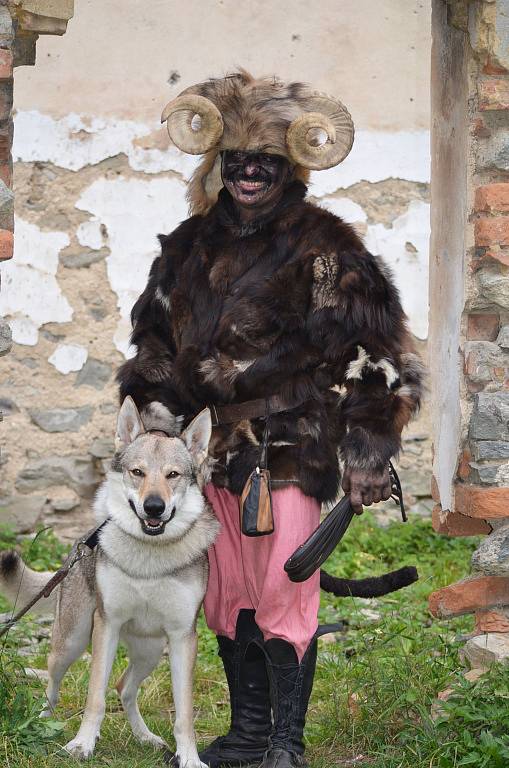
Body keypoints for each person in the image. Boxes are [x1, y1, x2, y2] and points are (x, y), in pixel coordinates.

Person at [117, 71, 424, 768]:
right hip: (210, 455)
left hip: (294, 445)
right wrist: (158, 429)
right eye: (237, 160)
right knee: (227, 594)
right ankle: (249, 734)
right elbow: (154, 350)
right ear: (217, 163)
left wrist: (369, 447)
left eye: (266, 162)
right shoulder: (188, 247)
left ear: (289, 168)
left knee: (286, 587)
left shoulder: (325, 246)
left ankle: (286, 743)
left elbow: (378, 355)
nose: (250, 173)